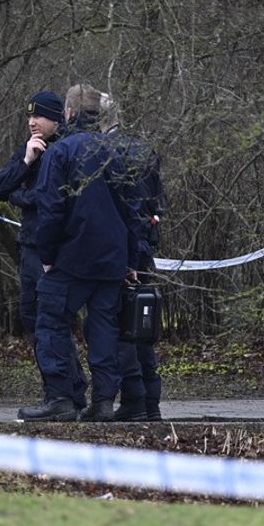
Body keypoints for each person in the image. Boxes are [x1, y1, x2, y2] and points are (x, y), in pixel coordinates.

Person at [17, 84, 141, 422]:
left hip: (70, 259)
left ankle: (60, 396)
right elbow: (133, 210)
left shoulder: (61, 153)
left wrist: (47, 253)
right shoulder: (117, 153)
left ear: (68, 113)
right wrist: (131, 258)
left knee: (51, 322)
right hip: (111, 259)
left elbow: (51, 207)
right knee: (103, 328)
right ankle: (103, 400)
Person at [0, 91, 88, 411]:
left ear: (58, 118)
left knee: (52, 320)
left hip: (54, 252)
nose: (32, 121)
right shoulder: (32, 147)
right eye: (29, 116)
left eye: (39, 116)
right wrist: (26, 162)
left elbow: (52, 200)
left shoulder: (68, 148)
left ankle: (62, 394)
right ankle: (68, 389)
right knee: (35, 319)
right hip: (30, 247)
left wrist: (24, 196)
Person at [98, 92, 167, 422]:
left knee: (122, 325)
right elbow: (157, 202)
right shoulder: (144, 149)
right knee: (143, 323)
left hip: (123, 250)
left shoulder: (104, 153)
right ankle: (149, 399)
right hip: (144, 246)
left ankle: (136, 396)